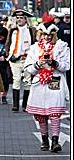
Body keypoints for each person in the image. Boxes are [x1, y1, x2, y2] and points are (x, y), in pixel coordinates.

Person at [24, 21, 69, 153]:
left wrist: (54, 62)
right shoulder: (35, 48)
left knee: (55, 113)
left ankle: (55, 141)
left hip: (55, 79)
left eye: (49, 34)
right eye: (44, 34)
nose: (46, 37)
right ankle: (44, 140)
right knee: (40, 114)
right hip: (39, 82)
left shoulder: (61, 46)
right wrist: (38, 64)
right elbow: (28, 69)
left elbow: (67, 65)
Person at [5, 9, 35, 113]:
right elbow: (8, 43)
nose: (19, 20)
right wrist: (8, 54)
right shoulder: (13, 30)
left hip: (27, 59)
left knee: (28, 82)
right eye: (17, 18)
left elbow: (35, 43)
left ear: (26, 19)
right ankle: (15, 105)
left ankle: (25, 105)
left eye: (21, 18)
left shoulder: (31, 30)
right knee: (16, 80)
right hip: (15, 59)